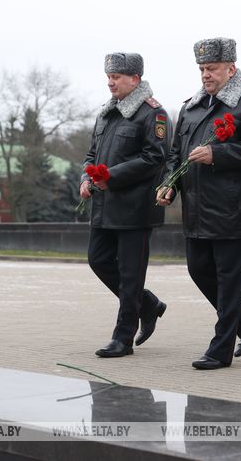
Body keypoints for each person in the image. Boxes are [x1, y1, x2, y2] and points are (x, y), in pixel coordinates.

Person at [157, 37, 241, 370]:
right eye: (201, 69)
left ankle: (220, 349)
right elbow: (175, 154)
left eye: (211, 68)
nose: (205, 75)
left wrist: (217, 154)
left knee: (229, 279)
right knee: (199, 271)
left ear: (230, 68)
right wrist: (171, 183)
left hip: (234, 209)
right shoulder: (192, 106)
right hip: (196, 211)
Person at [81, 52, 170, 358]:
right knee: (98, 260)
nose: (110, 83)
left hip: (135, 208)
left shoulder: (153, 114)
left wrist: (111, 177)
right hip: (104, 206)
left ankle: (123, 338)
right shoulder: (106, 113)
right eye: (108, 77)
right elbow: (91, 154)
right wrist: (85, 178)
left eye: (116, 77)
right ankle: (148, 304)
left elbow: (154, 157)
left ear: (135, 79)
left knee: (131, 275)